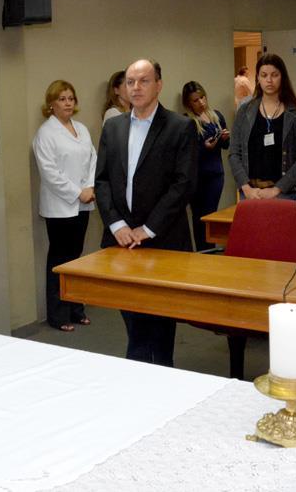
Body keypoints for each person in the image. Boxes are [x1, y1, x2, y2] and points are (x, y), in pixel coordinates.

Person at [95, 59, 197, 366]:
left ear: (158, 85)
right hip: (121, 243)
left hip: (163, 240)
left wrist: (147, 228)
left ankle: (163, 380)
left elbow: (184, 185)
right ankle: (136, 381)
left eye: (143, 81)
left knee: (161, 330)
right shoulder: (112, 127)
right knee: (135, 328)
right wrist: (116, 224)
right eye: (130, 82)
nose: (136, 88)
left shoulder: (180, 127)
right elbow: (101, 180)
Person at [32, 80, 97, 332]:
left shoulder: (81, 128)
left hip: (83, 203)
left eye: (71, 98)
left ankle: (75, 308)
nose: (68, 103)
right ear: (51, 104)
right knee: (60, 259)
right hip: (60, 206)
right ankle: (58, 315)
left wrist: (89, 188)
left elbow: (92, 158)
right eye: (62, 99)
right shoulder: (46, 133)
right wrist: (76, 192)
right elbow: (49, 172)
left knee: (76, 258)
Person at [229, 53, 296, 200]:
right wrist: (245, 187)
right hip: (250, 193)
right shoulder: (244, 112)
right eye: (264, 75)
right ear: (258, 78)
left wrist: (277, 189)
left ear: (282, 77)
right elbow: (234, 153)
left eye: (274, 75)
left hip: (285, 193)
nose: (269, 80)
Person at [181, 81, 229, 251]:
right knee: (199, 217)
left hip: (216, 174)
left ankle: (210, 251)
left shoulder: (216, 116)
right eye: (196, 100)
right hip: (197, 176)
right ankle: (202, 251)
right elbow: (187, 154)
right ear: (188, 103)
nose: (201, 102)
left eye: (202, 98)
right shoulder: (187, 122)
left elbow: (226, 146)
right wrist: (204, 147)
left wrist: (224, 138)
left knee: (211, 214)